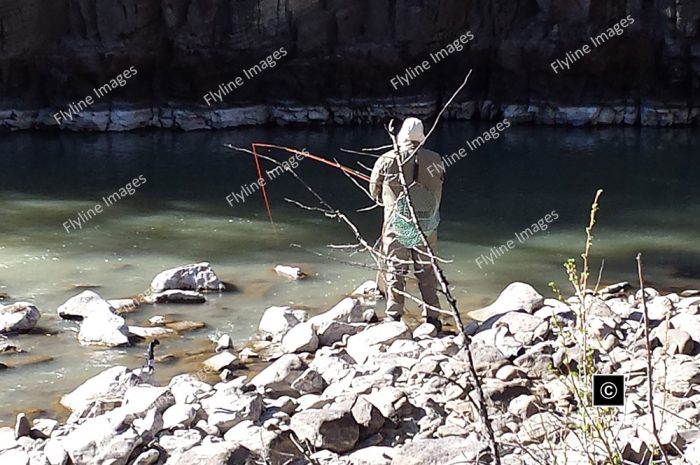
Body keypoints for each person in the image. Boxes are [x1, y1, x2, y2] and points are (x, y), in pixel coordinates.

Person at [369, 118, 445, 330]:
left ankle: (394, 316)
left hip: (397, 224)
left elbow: (373, 191)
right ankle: (433, 317)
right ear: (422, 136)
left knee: (396, 269)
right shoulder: (436, 159)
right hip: (427, 224)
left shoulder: (387, 158)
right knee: (427, 270)